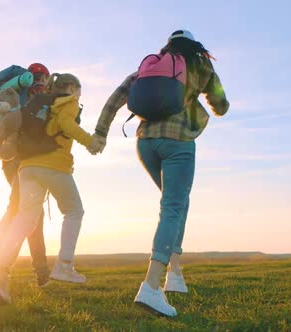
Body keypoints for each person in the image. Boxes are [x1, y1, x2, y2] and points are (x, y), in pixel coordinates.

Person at [89, 29, 229, 317]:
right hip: (178, 142)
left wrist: (101, 134)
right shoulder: (201, 65)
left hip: (146, 144)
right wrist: (210, 104)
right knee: (174, 207)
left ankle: (175, 275)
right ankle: (152, 286)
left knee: (177, 203)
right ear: (194, 46)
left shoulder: (150, 67)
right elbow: (221, 104)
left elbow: (115, 98)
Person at [0, 73, 103, 303]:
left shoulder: (37, 103)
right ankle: (64, 265)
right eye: (78, 91)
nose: (79, 96)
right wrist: (90, 142)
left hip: (26, 168)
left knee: (24, 220)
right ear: (71, 88)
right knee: (74, 211)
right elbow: (66, 124)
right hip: (53, 165)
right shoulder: (66, 102)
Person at [0, 63, 52, 288]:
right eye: (39, 77)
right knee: (18, 210)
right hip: (25, 161)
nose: (40, 80)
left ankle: (41, 273)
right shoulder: (35, 99)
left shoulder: (13, 95)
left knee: (31, 213)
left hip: (10, 162)